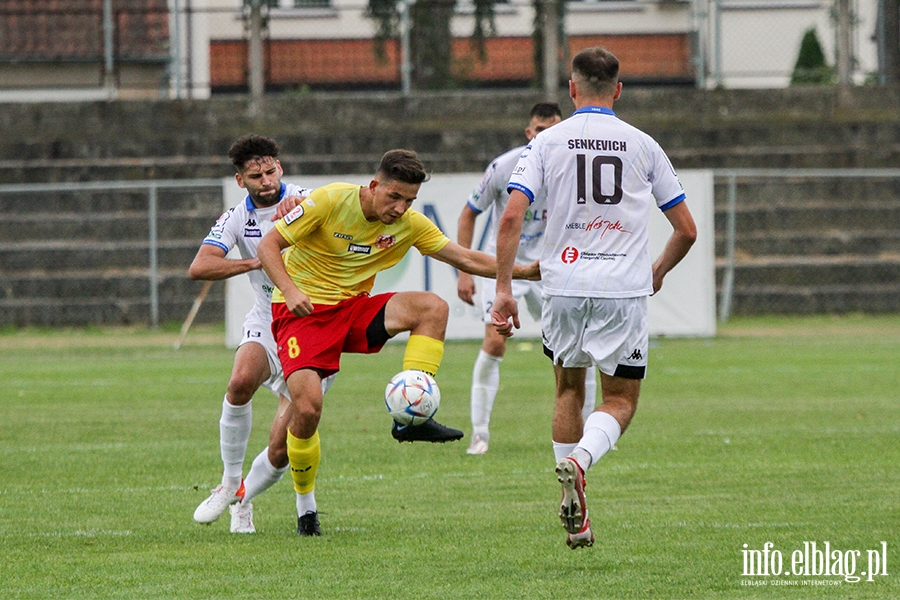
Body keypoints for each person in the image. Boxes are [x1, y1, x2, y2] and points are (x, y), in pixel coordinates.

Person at [257, 149, 539, 536]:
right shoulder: (329, 200)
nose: (401, 207)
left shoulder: (410, 224)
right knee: (307, 409)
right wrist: (288, 290)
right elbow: (267, 246)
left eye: (409, 200)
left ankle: (411, 414)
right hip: (301, 313)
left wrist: (524, 271)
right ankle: (306, 508)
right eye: (394, 197)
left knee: (432, 308)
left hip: (353, 310)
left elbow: (464, 258)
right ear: (374, 186)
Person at [491, 47, 697, 549]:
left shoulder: (545, 144)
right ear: (619, 90)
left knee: (567, 390)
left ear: (573, 88)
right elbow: (686, 230)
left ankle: (578, 515)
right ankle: (581, 462)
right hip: (621, 288)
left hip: (562, 284)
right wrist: (658, 271)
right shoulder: (644, 145)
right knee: (620, 400)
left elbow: (512, 218)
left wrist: (503, 289)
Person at [189, 134, 335, 534]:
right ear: (241, 181)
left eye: (271, 172)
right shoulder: (238, 216)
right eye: (256, 176)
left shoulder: (309, 200)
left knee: (280, 446)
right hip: (268, 318)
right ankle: (230, 481)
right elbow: (200, 266)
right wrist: (257, 261)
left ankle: (245, 501)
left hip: (313, 327)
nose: (266, 181)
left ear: (281, 168)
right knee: (238, 382)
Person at [456, 102, 598, 455]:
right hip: (505, 267)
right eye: (540, 130)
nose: (547, 136)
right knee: (495, 341)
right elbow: (469, 214)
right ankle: (480, 433)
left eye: (554, 129)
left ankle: (591, 430)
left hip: (553, 268)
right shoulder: (504, 167)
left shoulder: (574, 167)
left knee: (579, 346)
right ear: (529, 133)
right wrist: (464, 271)